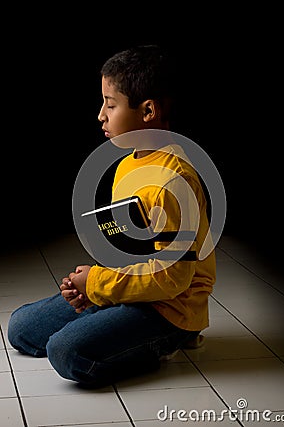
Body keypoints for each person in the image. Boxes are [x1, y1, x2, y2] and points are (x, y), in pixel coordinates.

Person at [8, 45, 216, 387]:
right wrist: (91, 285)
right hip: (127, 290)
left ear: (147, 110)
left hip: (169, 309)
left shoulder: (172, 182)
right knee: (20, 327)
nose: (101, 115)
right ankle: (108, 324)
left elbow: (173, 280)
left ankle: (174, 339)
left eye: (110, 103)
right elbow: (131, 247)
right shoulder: (128, 164)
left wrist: (96, 285)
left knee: (66, 352)